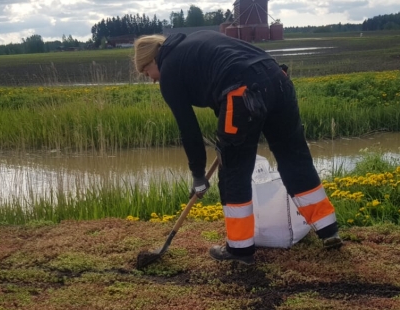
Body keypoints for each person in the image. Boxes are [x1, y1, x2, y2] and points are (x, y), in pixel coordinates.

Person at [133, 31, 341, 265]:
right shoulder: (197, 44)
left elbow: (188, 130)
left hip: (243, 92)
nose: (151, 78)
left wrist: (198, 176)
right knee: (295, 158)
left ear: (152, 59)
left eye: (146, 71)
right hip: (278, 79)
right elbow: (220, 84)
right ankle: (328, 229)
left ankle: (240, 250)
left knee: (233, 171)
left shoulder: (169, 69)